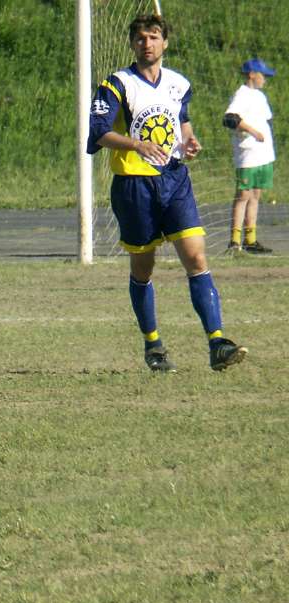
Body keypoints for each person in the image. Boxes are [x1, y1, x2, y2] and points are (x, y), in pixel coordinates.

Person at [87, 14, 247, 373]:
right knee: (143, 268)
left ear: (165, 43)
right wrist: (135, 144)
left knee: (196, 258)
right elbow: (98, 131)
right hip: (134, 186)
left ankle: (217, 342)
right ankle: (153, 344)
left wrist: (189, 140)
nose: (148, 44)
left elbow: (182, 120)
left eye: (154, 37)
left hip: (175, 180)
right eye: (141, 38)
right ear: (132, 44)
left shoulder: (178, 84)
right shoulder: (116, 85)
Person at [224, 58, 276, 254]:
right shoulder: (242, 94)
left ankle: (251, 240)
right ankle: (234, 241)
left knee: (256, 195)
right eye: (263, 75)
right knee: (243, 195)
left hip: (263, 155)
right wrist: (253, 132)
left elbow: (266, 120)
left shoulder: (260, 96)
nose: (265, 80)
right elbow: (230, 119)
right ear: (252, 74)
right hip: (248, 154)